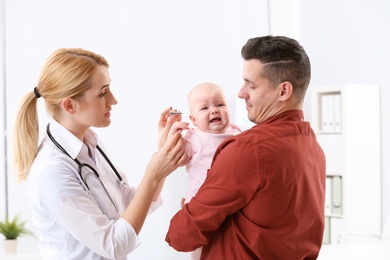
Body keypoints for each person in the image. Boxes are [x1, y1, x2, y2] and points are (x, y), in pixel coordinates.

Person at [12, 48, 186, 260]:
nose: (113, 100)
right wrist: (153, 173)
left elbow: (129, 204)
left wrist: (162, 154)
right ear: (70, 105)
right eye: (103, 92)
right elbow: (113, 245)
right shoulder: (53, 171)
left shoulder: (88, 143)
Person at [165, 35, 326, 259]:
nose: (241, 93)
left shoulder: (249, 149)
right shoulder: (313, 147)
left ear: (283, 91)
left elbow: (182, 236)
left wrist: (187, 212)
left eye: (251, 85)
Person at [168, 82, 241, 259]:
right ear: (193, 120)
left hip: (230, 203)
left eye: (220, 104)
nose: (214, 110)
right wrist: (172, 137)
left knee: (228, 244)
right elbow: (176, 160)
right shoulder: (194, 137)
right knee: (201, 250)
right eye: (205, 108)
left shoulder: (236, 132)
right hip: (200, 205)